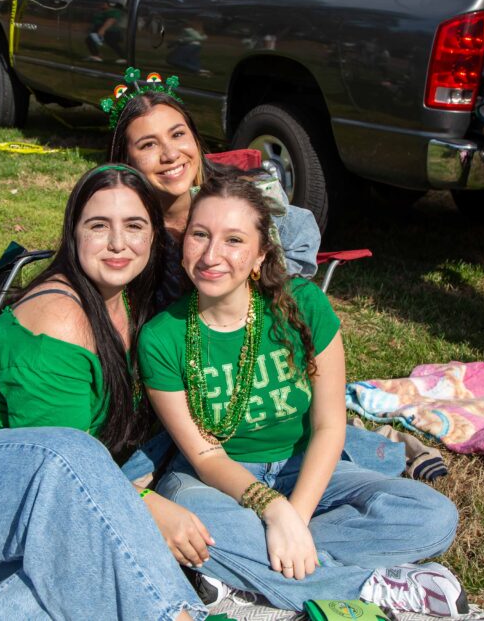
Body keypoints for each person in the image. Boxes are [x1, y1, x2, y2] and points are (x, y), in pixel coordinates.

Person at [0, 164, 208, 620]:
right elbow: (68, 472)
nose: (118, 243)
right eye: (99, 226)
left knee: (88, 567)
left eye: (134, 226)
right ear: (73, 234)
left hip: (33, 490)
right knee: (95, 528)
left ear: (154, 236)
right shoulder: (60, 316)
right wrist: (143, 506)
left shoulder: (129, 302)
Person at [138, 174, 466, 617]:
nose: (211, 255)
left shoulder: (303, 305)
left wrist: (294, 516)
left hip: (303, 468)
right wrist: (271, 509)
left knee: (432, 515)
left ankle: (242, 568)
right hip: (216, 481)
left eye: (234, 240)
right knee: (191, 516)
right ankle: (370, 586)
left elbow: (329, 425)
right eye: (200, 235)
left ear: (261, 254)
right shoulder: (162, 337)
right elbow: (205, 456)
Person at [105, 71, 320, 307]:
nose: (171, 154)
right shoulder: (120, 226)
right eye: (148, 145)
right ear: (125, 160)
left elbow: (302, 233)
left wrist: (263, 293)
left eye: (178, 134)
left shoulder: (244, 197)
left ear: (195, 139)